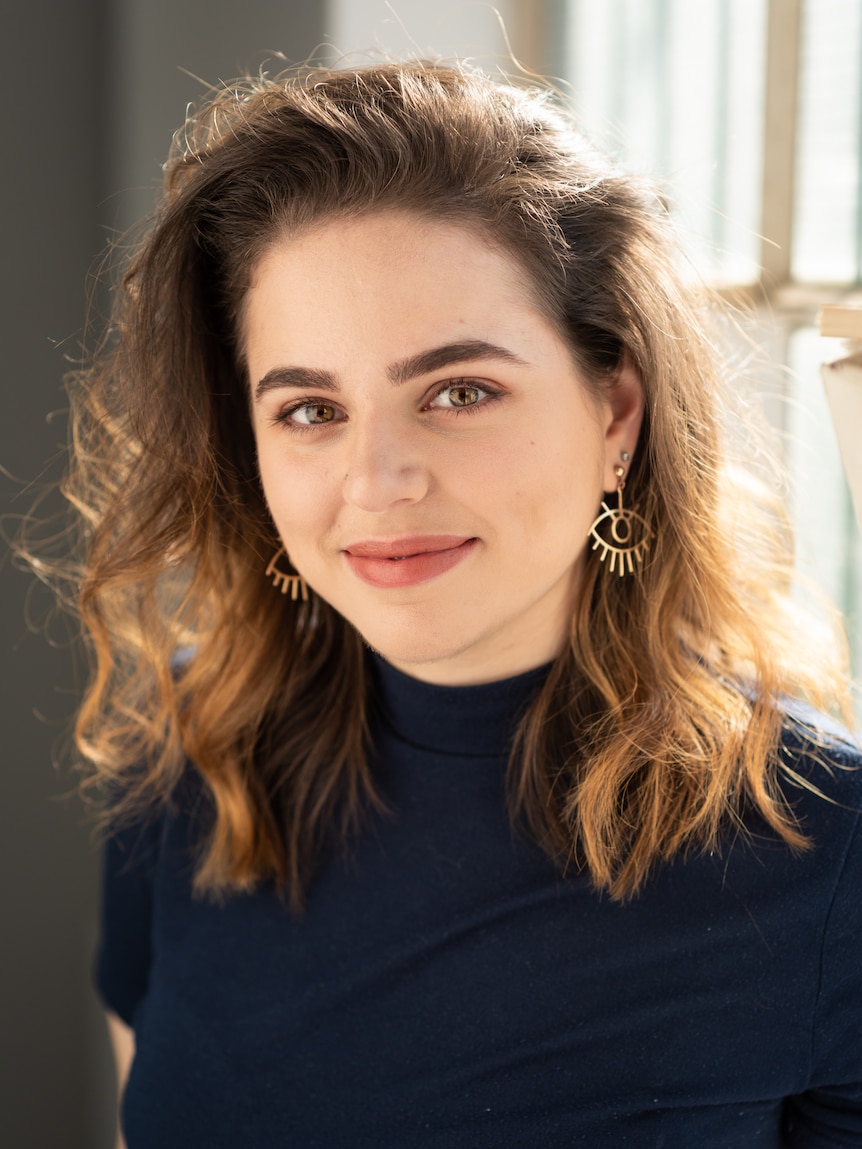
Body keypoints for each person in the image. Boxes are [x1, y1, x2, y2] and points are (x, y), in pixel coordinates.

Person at [51, 61, 861, 1147]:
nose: (377, 480)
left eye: (458, 391)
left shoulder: (824, 851)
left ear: (616, 410)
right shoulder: (194, 755)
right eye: (308, 410)